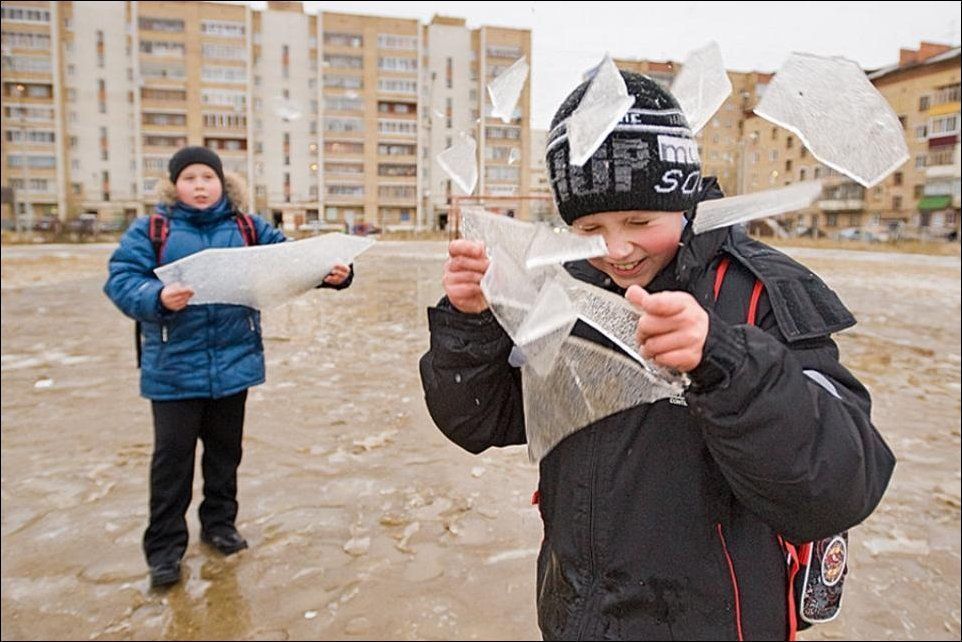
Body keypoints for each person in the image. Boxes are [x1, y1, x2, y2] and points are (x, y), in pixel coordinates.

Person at [419, 72, 895, 639]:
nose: (617, 249)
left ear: (684, 197)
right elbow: (479, 419)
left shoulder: (763, 292)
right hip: (579, 615)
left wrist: (722, 360)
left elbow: (839, 485)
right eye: (590, 227)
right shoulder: (567, 290)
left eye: (640, 221)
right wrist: (472, 321)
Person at [104, 146, 353, 589]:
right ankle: (164, 551)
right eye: (190, 178)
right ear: (174, 185)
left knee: (225, 457)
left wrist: (331, 273)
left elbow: (288, 261)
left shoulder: (246, 226)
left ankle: (219, 528)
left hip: (234, 364)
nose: (200, 186)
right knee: (171, 464)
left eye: (208, 177)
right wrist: (156, 298)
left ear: (223, 183)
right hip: (173, 371)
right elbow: (121, 279)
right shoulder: (153, 229)